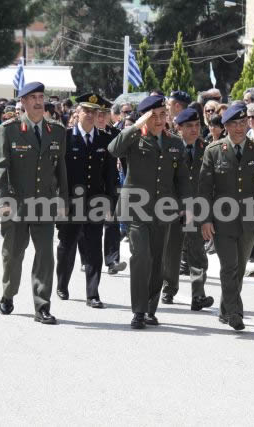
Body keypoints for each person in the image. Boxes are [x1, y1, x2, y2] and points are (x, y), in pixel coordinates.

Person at [108, 95, 191, 329]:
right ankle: (138, 310)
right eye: (153, 116)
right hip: (136, 209)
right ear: (145, 118)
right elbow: (113, 149)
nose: (159, 120)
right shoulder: (135, 138)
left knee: (157, 262)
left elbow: (182, 178)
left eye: (162, 115)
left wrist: (187, 204)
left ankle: (150, 309)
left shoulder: (174, 142)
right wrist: (135, 125)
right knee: (141, 257)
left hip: (163, 210)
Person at [0, 81, 68, 325]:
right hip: (16, 203)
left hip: (44, 203)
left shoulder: (56, 130)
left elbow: (61, 170)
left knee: (45, 255)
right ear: (23, 102)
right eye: (32, 97)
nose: (38, 101)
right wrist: (2, 200)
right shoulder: (9, 129)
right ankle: (8, 292)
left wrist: (63, 200)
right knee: (13, 255)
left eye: (40, 97)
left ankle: (42, 306)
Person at [199, 103, 254, 330]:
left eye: (243, 122)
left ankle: (225, 309)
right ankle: (235, 312)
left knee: (240, 268)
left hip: (250, 220)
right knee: (229, 267)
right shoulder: (214, 151)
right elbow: (204, 189)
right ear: (225, 126)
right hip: (222, 220)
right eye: (234, 123)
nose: (239, 127)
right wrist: (205, 219)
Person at [54, 94, 116, 309]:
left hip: (95, 204)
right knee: (67, 246)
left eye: (94, 112)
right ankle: (62, 284)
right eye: (86, 111)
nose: (90, 115)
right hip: (71, 204)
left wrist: (110, 203)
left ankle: (93, 293)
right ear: (77, 113)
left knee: (93, 249)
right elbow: (57, 173)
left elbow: (110, 175)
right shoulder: (66, 137)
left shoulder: (104, 140)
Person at [161, 108, 215, 310]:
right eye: (189, 126)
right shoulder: (171, 148)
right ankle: (168, 288)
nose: (194, 130)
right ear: (179, 128)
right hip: (174, 208)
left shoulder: (207, 149)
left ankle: (198, 295)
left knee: (197, 252)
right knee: (172, 252)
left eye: (197, 125)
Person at [94, 95, 127, 275]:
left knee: (112, 223)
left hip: (111, 186)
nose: (101, 117)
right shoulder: (87, 134)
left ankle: (112, 260)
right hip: (89, 187)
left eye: (105, 114)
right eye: (98, 113)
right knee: (89, 225)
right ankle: (87, 256)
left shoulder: (115, 135)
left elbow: (125, 161)